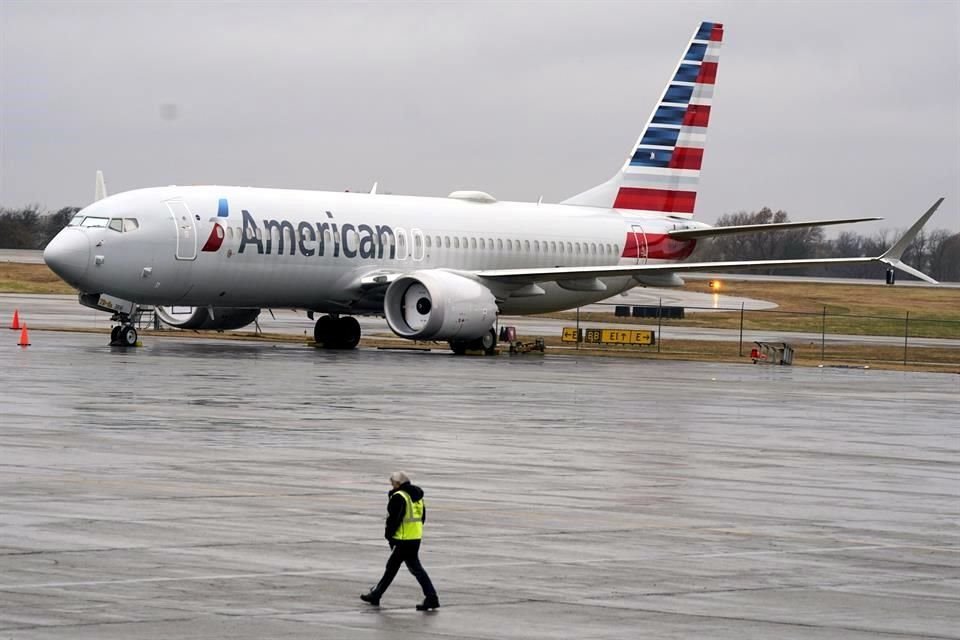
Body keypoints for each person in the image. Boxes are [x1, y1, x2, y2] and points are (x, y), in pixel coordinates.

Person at [361, 471, 440, 611]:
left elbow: (394, 520)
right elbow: (422, 517)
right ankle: (376, 594)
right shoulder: (417, 496)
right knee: (404, 568)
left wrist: (389, 535)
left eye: (393, 483)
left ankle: (432, 597)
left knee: (396, 568)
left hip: (403, 539)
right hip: (415, 537)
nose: (391, 486)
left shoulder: (399, 496)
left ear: (398, 484)